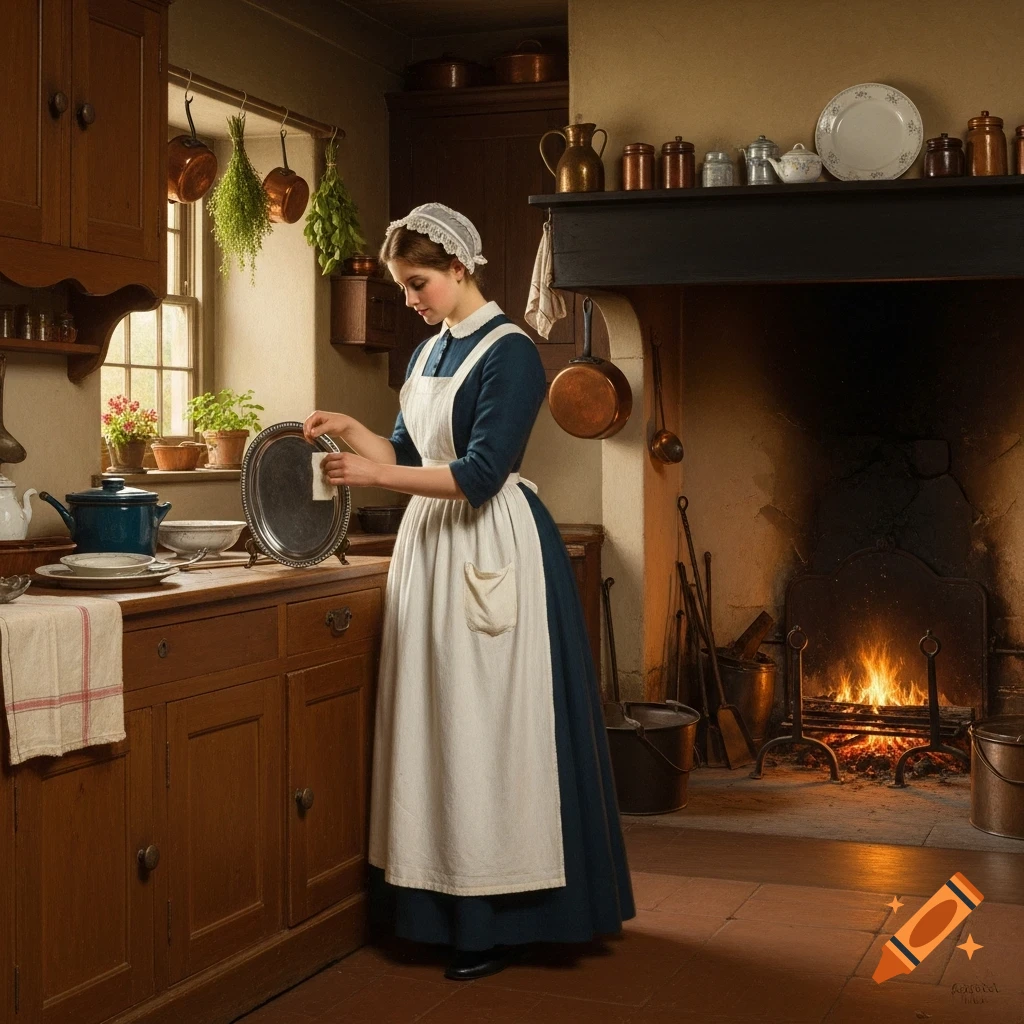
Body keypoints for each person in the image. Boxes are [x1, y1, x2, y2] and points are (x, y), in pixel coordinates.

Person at [303, 202, 634, 982]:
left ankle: (502, 917)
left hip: (492, 547)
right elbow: (413, 450)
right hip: (432, 549)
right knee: (439, 724)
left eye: (419, 283)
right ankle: (442, 906)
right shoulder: (428, 354)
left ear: (459, 269)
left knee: (492, 732)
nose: (411, 298)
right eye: (405, 286)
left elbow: (481, 473)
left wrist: (377, 476)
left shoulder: (511, 352)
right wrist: (357, 433)